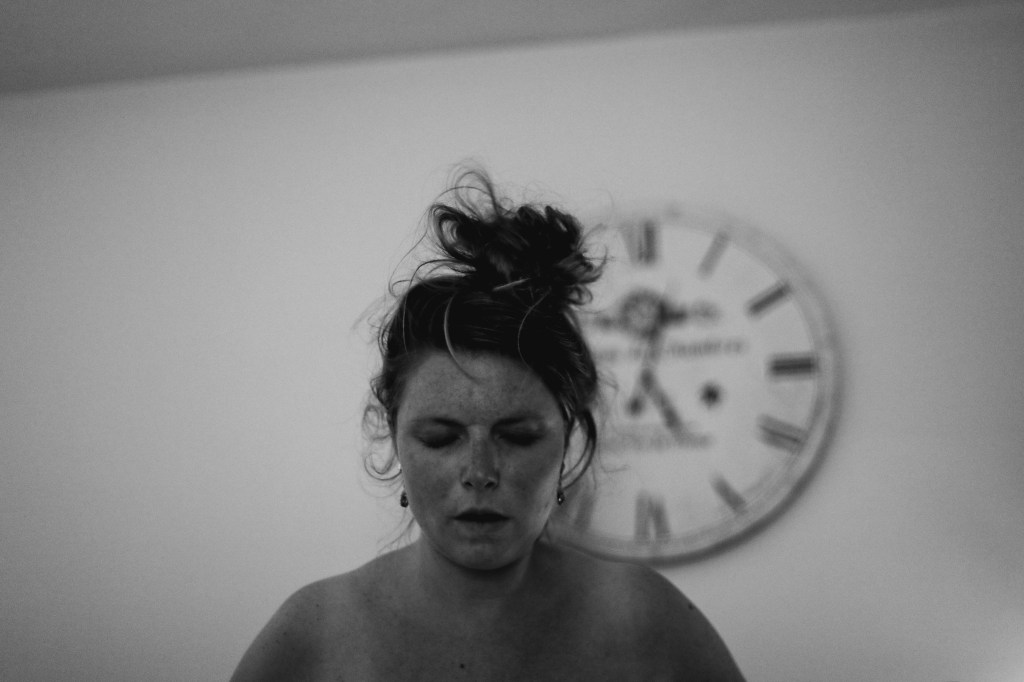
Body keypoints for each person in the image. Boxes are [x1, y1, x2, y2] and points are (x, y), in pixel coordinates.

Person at [230, 170, 746, 681]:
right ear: (394, 438)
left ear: (569, 439)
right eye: (440, 438)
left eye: (518, 437)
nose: (480, 472)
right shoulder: (314, 635)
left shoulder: (645, 620)